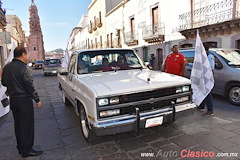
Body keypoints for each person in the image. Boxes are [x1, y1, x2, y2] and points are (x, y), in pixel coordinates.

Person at [1, 46, 43, 157]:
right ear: (23, 55)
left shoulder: (7, 67)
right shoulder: (24, 68)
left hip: (14, 101)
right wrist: (37, 99)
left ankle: (21, 148)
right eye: (27, 54)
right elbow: (29, 85)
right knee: (27, 125)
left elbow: (4, 83)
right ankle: (27, 149)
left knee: (18, 125)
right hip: (24, 100)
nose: (28, 57)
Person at [197, 44, 215, 116]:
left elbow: (211, 67)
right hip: (202, 76)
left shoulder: (209, 56)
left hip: (207, 77)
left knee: (207, 93)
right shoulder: (202, 56)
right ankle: (202, 106)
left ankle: (210, 110)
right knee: (202, 91)